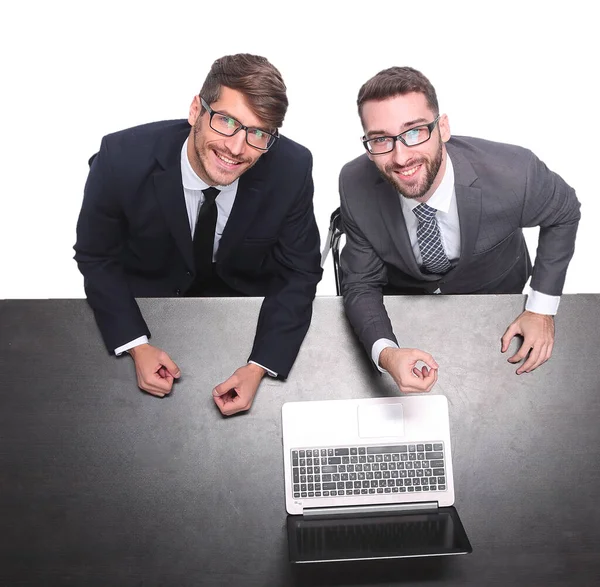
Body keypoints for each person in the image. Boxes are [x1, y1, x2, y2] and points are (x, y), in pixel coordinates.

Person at [74, 54, 322, 415]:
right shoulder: (120, 158)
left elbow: (299, 271)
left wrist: (261, 365)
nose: (236, 149)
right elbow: (96, 255)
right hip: (147, 304)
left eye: (257, 133)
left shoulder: (292, 168)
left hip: (243, 314)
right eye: (226, 121)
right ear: (196, 111)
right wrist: (135, 344)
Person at [339, 66, 580, 394]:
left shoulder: (514, 173)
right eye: (381, 138)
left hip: (497, 291)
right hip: (406, 304)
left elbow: (563, 212)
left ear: (443, 127)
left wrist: (541, 309)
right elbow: (362, 283)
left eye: (414, 131)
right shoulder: (354, 183)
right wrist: (386, 352)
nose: (401, 156)